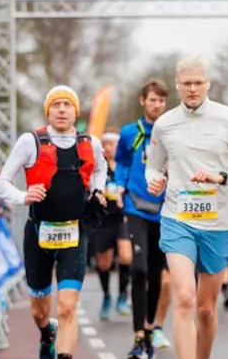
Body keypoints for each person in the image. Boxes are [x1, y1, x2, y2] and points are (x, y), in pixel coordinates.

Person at [145, 54, 228, 359]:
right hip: (177, 219)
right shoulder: (165, 124)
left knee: (206, 309)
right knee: (184, 297)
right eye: (187, 83)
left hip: (218, 223)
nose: (193, 89)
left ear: (208, 83)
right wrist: (154, 180)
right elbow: (154, 167)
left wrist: (222, 177)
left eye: (198, 83)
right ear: (178, 85)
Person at [0, 85, 107, 359]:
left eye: (67, 105)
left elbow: (101, 168)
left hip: (74, 232)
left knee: (67, 307)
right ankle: (47, 334)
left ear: (75, 111)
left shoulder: (90, 143)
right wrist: (23, 196)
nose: (61, 109)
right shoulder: (30, 142)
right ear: (48, 111)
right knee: (40, 311)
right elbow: (1, 183)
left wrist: (98, 190)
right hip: (38, 233)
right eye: (55, 104)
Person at [115, 78, 173, 358]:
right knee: (138, 269)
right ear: (143, 101)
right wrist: (118, 186)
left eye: (161, 100)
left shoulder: (173, 131)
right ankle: (138, 335)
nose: (157, 105)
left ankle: (150, 329)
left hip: (165, 210)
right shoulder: (130, 133)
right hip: (135, 206)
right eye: (152, 100)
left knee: (156, 273)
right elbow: (122, 162)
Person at [92, 129, 132, 321]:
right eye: (104, 144)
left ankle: (123, 296)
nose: (107, 148)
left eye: (111, 144)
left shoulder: (125, 167)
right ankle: (107, 296)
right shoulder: (98, 168)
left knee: (126, 256)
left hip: (122, 217)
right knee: (104, 263)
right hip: (104, 218)